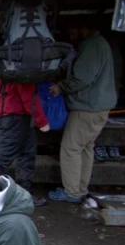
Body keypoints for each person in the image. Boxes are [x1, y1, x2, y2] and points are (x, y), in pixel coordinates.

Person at [48, 22, 117, 203]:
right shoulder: (101, 44)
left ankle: (71, 192)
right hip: (99, 106)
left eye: (74, 30)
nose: (72, 35)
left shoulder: (91, 46)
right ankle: (80, 188)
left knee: (70, 148)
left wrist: (61, 87)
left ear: (84, 28)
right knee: (86, 148)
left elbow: (82, 78)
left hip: (87, 107)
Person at [0, 79, 50, 207]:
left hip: (12, 115)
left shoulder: (11, 65)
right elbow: (29, 98)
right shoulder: (24, 71)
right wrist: (42, 121)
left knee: (25, 155)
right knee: (4, 158)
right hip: (15, 115)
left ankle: (23, 195)